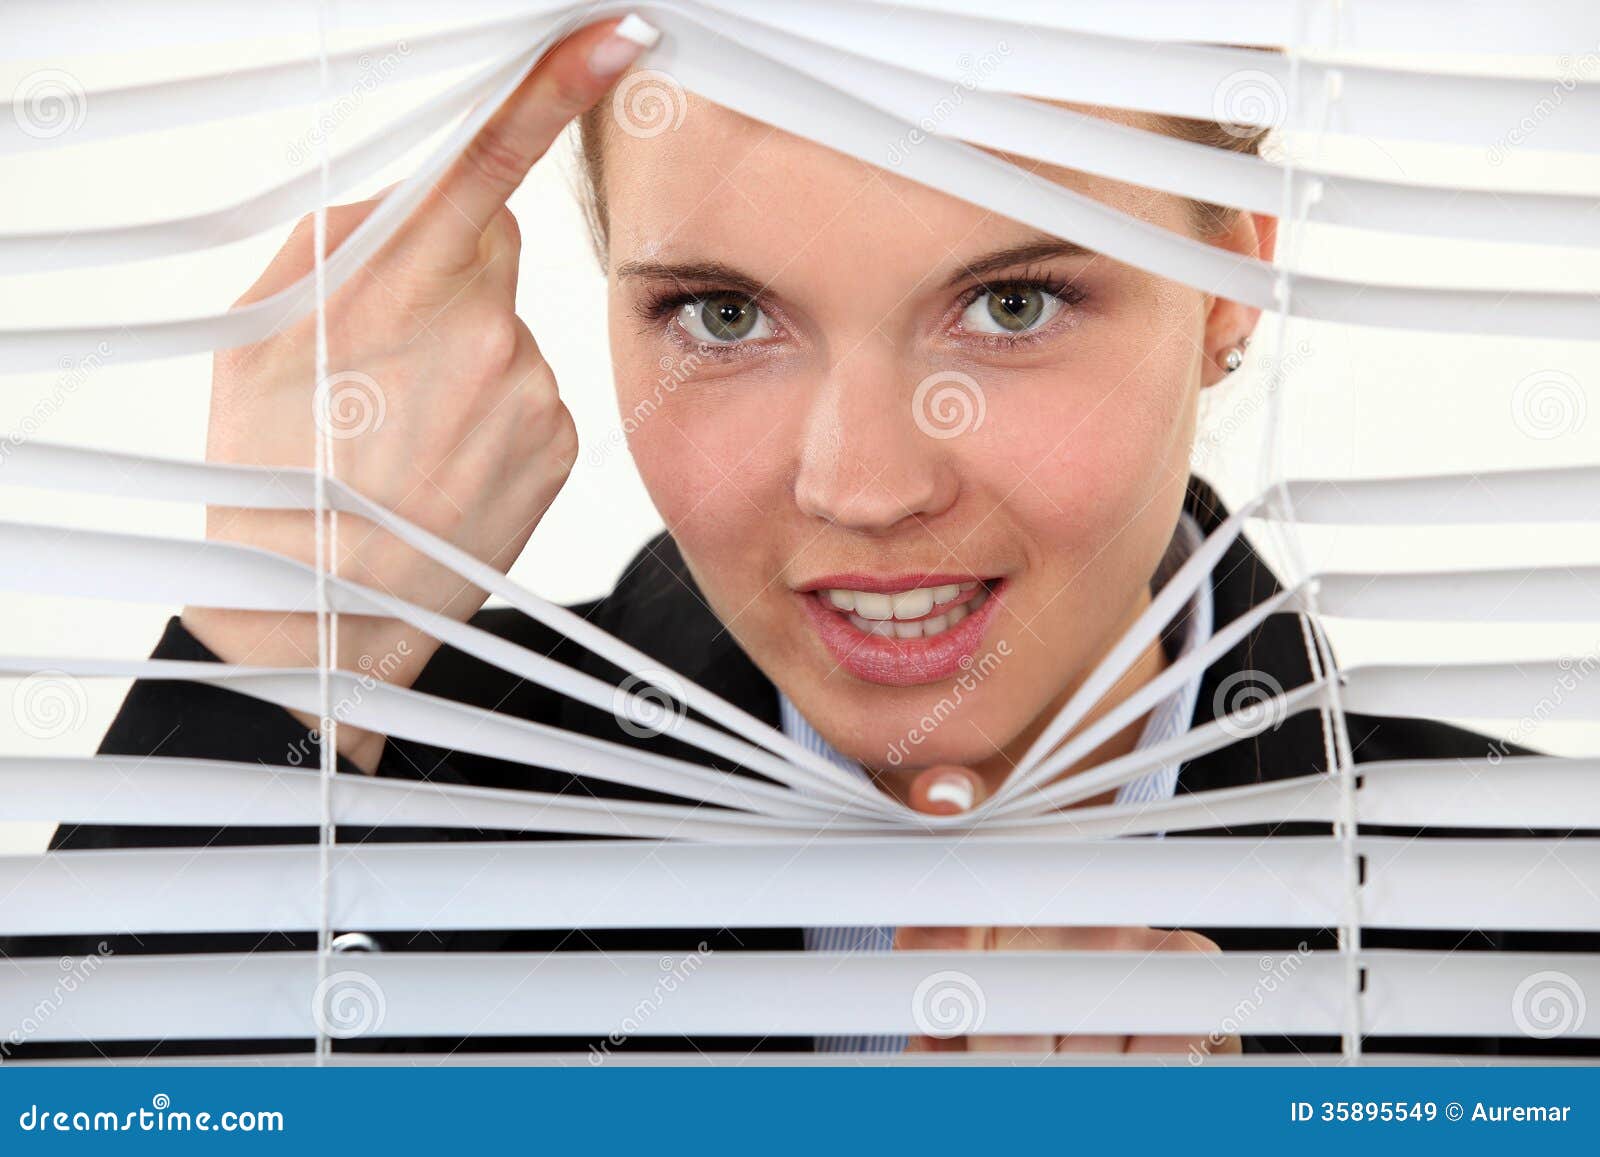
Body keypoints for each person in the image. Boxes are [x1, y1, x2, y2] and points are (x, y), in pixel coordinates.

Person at [17, 14, 1592, 1060]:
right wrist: (273, 660)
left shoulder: (1530, 933)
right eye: (723, 312)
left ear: (1232, 289)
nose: (866, 486)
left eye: (1012, 302)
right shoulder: (364, 829)